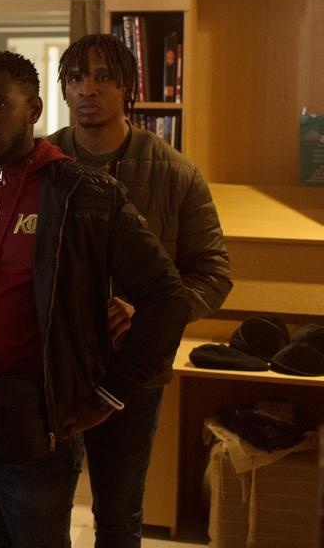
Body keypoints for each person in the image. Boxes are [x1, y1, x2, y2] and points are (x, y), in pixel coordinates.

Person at [0, 50, 191, 547]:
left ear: (34, 109)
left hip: (36, 428)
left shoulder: (86, 195)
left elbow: (167, 297)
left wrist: (110, 394)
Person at [49, 33, 231, 548]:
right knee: (40, 509)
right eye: (77, 77)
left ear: (127, 87)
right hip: (50, 363)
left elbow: (212, 272)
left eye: (103, 77)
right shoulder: (42, 163)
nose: (88, 89)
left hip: (133, 370)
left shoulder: (175, 171)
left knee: (119, 513)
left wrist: (146, 312)